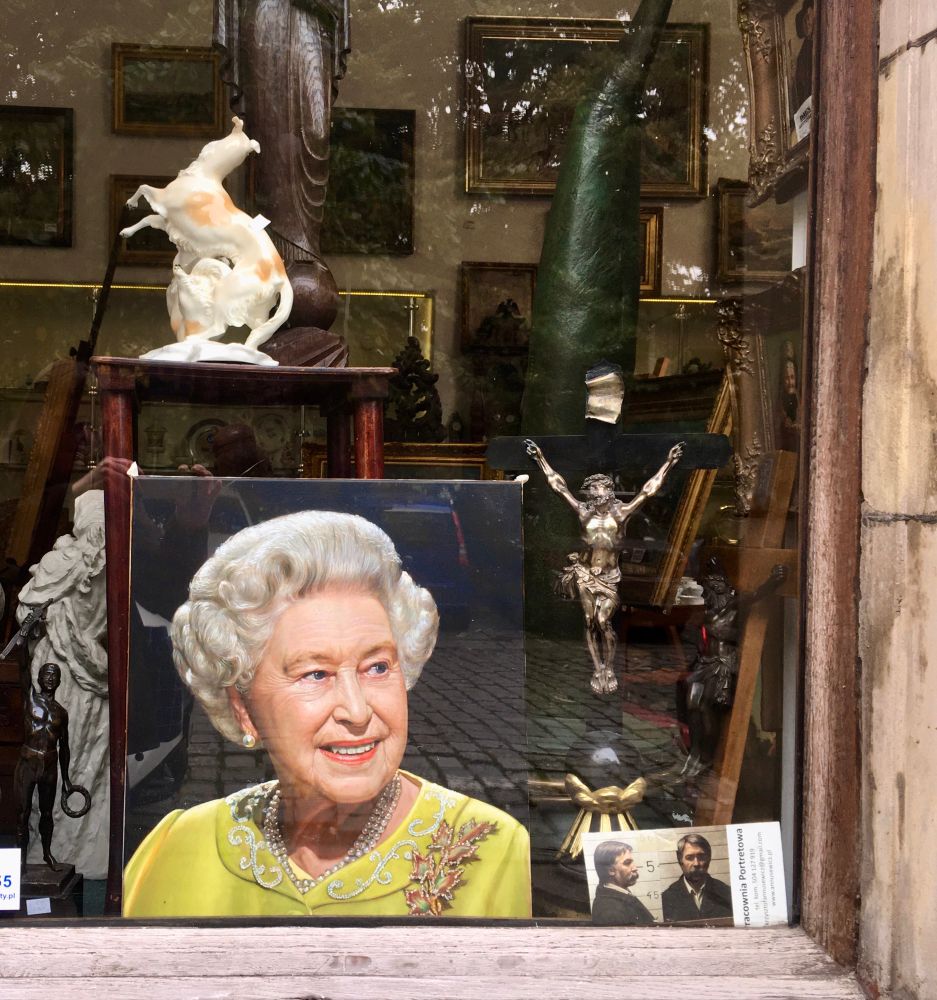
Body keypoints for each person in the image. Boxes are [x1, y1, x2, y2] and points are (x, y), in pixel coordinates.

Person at [123, 510, 531, 917]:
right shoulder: (175, 848)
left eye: (377, 667)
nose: (357, 710)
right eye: (315, 674)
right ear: (241, 708)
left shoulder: (491, 851)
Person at [525, 440, 684, 694]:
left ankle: (609, 666)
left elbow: (648, 491)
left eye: (600, 491)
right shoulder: (584, 513)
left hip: (609, 577)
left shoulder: (620, 514)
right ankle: (596, 667)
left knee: (603, 621)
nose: (597, 496)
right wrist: (540, 458)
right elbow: (559, 487)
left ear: (609, 493)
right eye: (593, 492)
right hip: (585, 574)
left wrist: (669, 462)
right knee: (589, 621)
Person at [14, 662, 89, 870]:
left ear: (59, 681)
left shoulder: (61, 713)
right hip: (28, 763)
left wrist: (66, 778)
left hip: (49, 765)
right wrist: (23, 642)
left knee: (47, 814)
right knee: (23, 814)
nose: (50, 678)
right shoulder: (30, 698)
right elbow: (23, 669)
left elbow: (64, 747)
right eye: (46, 674)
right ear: (39, 678)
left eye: (54, 675)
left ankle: (47, 854)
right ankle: (20, 860)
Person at [661, 834, 733, 923]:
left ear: (709, 858)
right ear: (680, 860)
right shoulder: (667, 898)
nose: (696, 863)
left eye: (701, 856)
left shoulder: (727, 893)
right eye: (689, 858)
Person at [590, 840, 655, 926]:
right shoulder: (610, 911)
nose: (635, 868)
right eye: (627, 863)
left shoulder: (619, 896)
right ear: (611, 870)